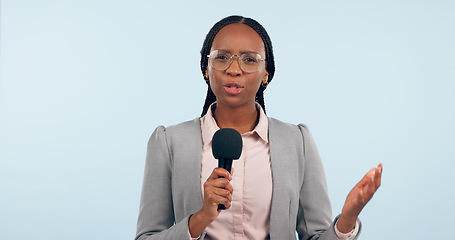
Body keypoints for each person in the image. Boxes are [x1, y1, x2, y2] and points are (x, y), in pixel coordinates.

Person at [135, 15, 383, 240]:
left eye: (249, 60)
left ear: (266, 73)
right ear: (205, 69)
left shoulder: (298, 142)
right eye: (221, 57)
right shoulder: (168, 143)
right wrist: (199, 219)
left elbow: (315, 236)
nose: (234, 69)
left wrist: (347, 221)